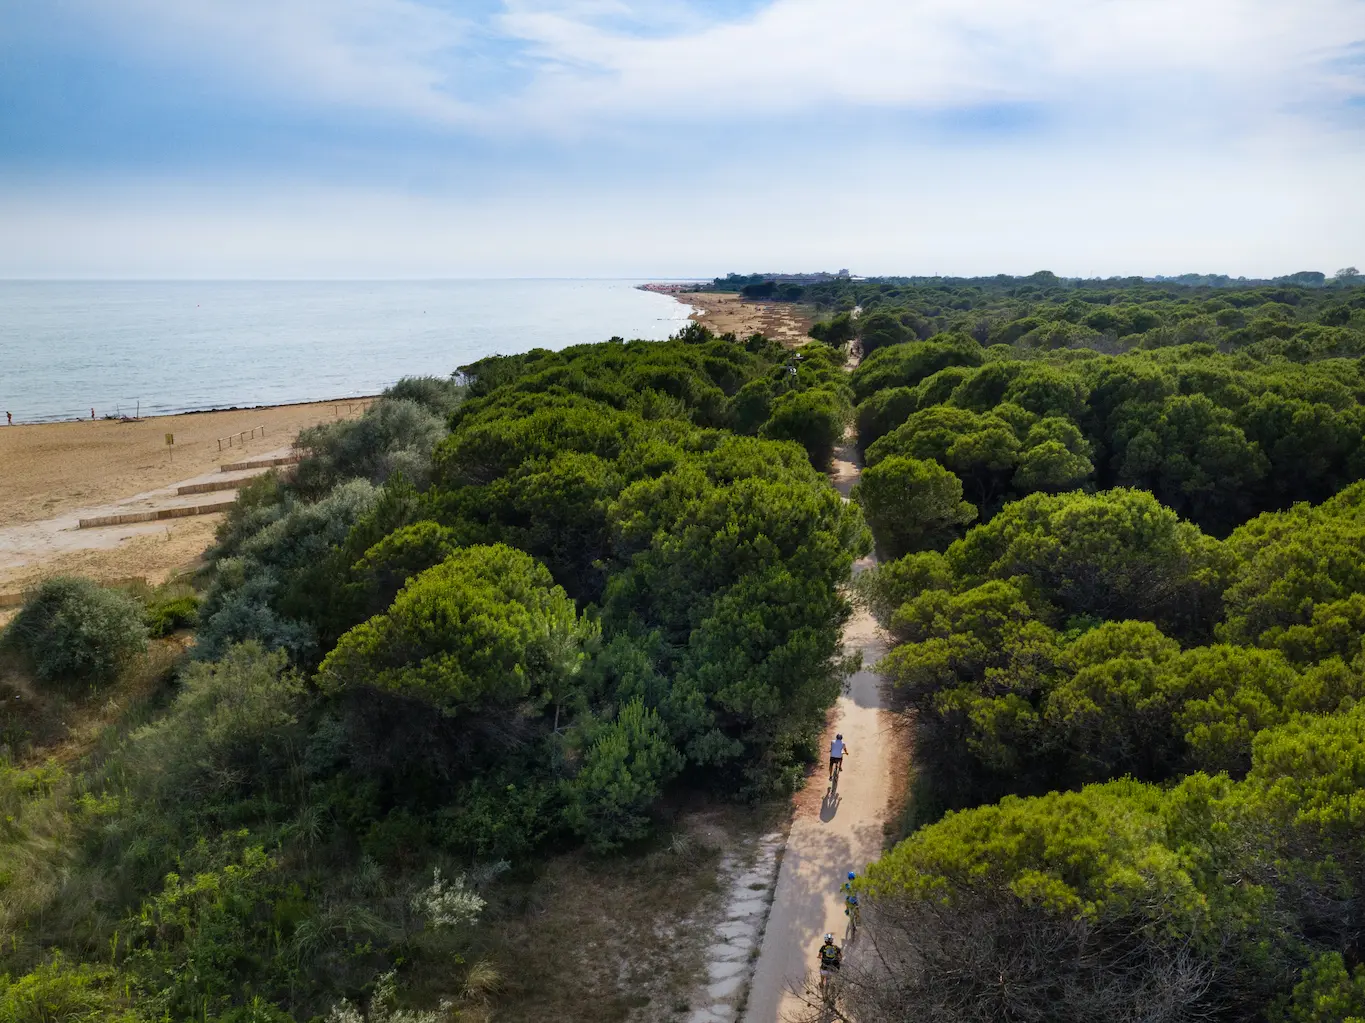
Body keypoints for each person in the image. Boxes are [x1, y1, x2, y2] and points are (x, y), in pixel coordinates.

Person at [817, 933, 842, 997]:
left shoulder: (823, 947)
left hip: (825, 970)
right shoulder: (836, 948)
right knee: (836, 980)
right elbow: (840, 957)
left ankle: (822, 983)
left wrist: (820, 957)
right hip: (834, 970)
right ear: (832, 940)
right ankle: (839, 992)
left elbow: (819, 955)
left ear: (825, 941)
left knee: (822, 970)